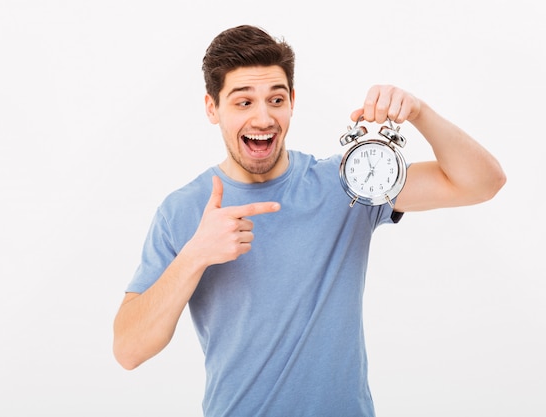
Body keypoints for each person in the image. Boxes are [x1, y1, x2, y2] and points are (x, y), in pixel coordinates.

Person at [113, 24, 506, 416]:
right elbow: (128, 350)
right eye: (243, 102)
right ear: (212, 108)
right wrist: (194, 255)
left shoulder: (348, 183)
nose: (264, 118)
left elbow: (482, 183)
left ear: (292, 101)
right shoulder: (182, 210)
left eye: (276, 99)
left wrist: (420, 113)